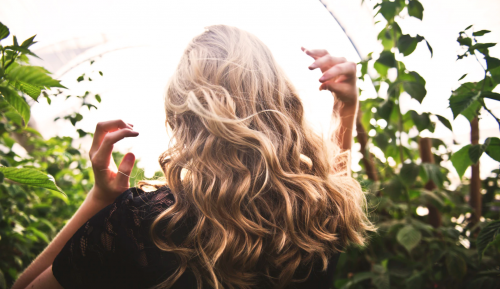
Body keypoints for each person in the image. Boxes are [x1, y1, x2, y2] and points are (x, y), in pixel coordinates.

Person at [12, 25, 373, 289]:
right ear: (279, 99)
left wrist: (100, 200)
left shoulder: (142, 224)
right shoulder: (321, 210)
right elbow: (333, 178)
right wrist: (345, 107)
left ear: (182, 114)